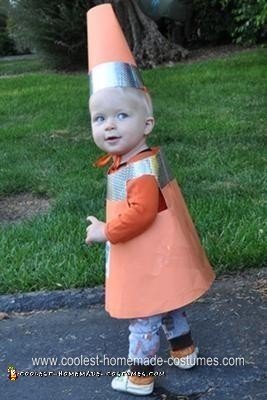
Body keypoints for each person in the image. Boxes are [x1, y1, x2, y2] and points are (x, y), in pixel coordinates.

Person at [85, 4, 215, 396]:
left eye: (121, 115)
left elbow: (140, 215)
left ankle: (140, 377)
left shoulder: (138, 170)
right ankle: (184, 349)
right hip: (162, 256)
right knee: (170, 301)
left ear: (147, 124)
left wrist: (106, 231)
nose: (109, 125)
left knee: (144, 313)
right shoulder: (140, 159)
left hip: (145, 256)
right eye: (99, 118)